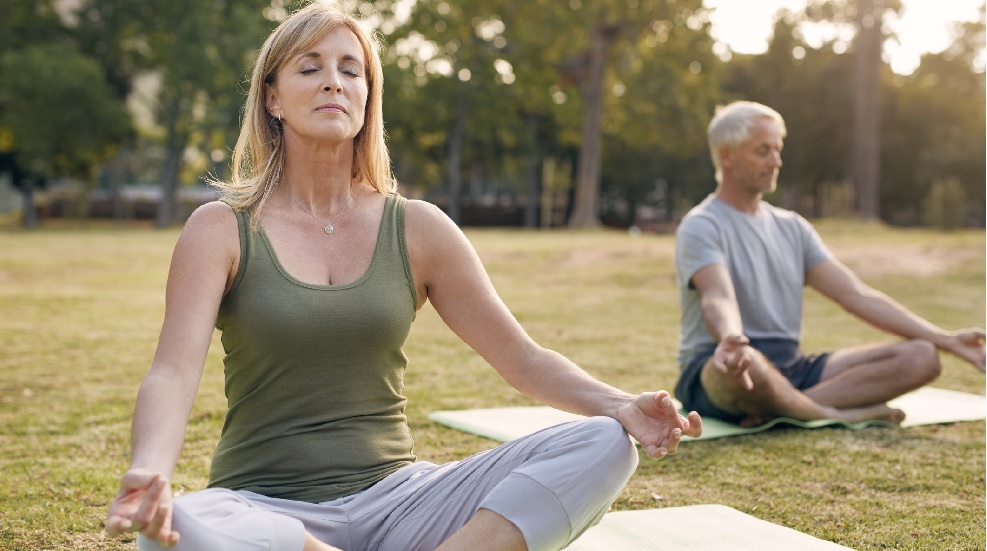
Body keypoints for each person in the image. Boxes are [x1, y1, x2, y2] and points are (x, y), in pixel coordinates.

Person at [104, 3, 702, 551]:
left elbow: (521, 359)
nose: (334, 81)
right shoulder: (221, 228)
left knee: (601, 444)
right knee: (177, 525)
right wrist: (151, 467)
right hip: (264, 505)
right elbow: (173, 371)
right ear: (272, 99)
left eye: (350, 69)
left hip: (402, 503)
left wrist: (621, 404)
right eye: (309, 68)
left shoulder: (418, 228)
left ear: (368, 96)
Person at [673, 100, 985, 427]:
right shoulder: (702, 224)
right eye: (762, 151)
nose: (776, 161)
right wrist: (730, 339)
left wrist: (946, 339)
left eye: (778, 150)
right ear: (727, 155)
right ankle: (831, 412)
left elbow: (856, 295)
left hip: (792, 368)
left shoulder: (793, 227)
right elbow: (717, 296)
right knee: (747, 363)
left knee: (922, 356)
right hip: (724, 362)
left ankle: (785, 408)